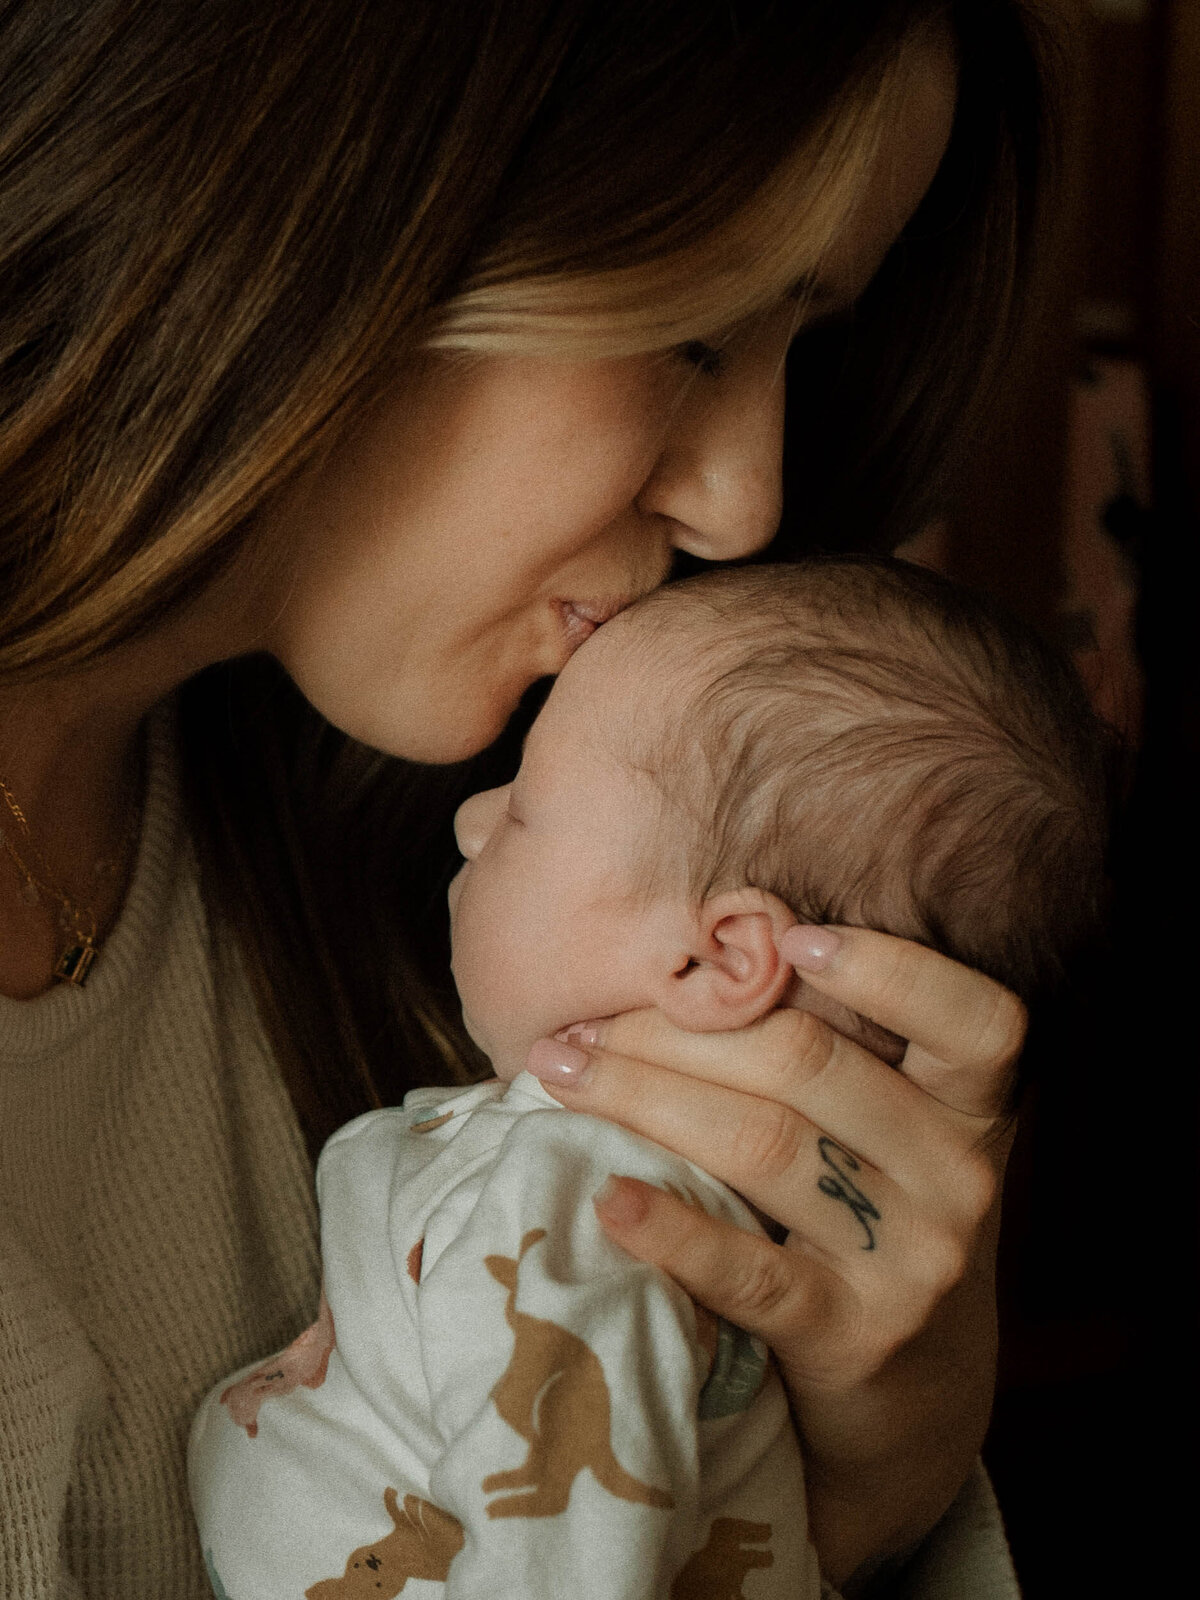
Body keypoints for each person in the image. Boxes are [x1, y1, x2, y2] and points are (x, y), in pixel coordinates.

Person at [0, 5, 1057, 1597]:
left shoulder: (493, 927)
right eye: (699, 334)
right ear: (326, 184)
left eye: (801, 347)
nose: (744, 501)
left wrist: (866, 1482)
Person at [187, 558, 1107, 1600]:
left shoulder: (588, 1198)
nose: (470, 820)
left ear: (714, 959)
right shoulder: (727, 1222)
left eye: (526, 806)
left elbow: (568, 1544)